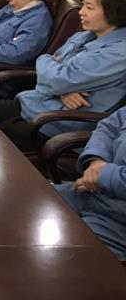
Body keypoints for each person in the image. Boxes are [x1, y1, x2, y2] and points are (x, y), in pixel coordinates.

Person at [0, 0, 126, 148]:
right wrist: (61, 89)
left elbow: (58, 78)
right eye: (83, 5)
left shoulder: (119, 52)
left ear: (114, 11)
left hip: (52, 125)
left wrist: (59, 82)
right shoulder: (84, 36)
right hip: (33, 105)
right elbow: (47, 62)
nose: (81, 12)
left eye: (89, 8)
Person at [53, 106, 126, 262]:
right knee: (25, 205)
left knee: (52, 255)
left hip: (118, 221)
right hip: (91, 194)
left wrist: (103, 175)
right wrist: (96, 161)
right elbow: (109, 127)